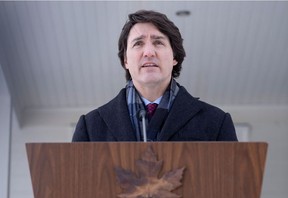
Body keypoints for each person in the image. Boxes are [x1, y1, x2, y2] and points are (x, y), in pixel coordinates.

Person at [72, 10, 238, 142]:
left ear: (175, 57)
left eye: (158, 42)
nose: (149, 52)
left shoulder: (216, 122)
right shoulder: (90, 126)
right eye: (138, 43)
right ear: (125, 61)